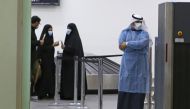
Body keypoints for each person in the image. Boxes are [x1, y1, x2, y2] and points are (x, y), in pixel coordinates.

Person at [117, 14, 150, 109]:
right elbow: (120, 45)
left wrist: (127, 44)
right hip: (127, 65)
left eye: (140, 22)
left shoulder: (144, 33)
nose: (138, 24)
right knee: (125, 87)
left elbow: (142, 43)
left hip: (140, 65)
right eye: (136, 22)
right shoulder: (124, 32)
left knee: (138, 91)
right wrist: (135, 45)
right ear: (132, 22)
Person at [60, 23, 85, 100]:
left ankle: (73, 94)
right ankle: (67, 94)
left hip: (73, 64)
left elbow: (74, 50)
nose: (68, 29)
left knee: (73, 79)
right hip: (68, 64)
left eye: (69, 28)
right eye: (67, 28)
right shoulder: (69, 37)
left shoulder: (75, 38)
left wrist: (65, 47)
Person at [36, 24, 59, 99]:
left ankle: (50, 92)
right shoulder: (43, 37)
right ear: (46, 30)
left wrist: (52, 45)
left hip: (50, 61)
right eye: (49, 30)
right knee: (44, 77)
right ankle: (42, 93)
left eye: (51, 30)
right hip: (45, 61)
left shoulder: (50, 37)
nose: (50, 31)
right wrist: (52, 46)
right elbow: (42, 49)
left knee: (50, 77)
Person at [31, 16, 44, 96]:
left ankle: (32, 92)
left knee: (36, 74)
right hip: (31, 58)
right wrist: (39, 42)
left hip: (33, 57)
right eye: (38, 23)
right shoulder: (29, 30)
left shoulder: (32, 30)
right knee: (33, 75)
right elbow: (29, 42)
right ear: (35, 22)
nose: (38, 25)